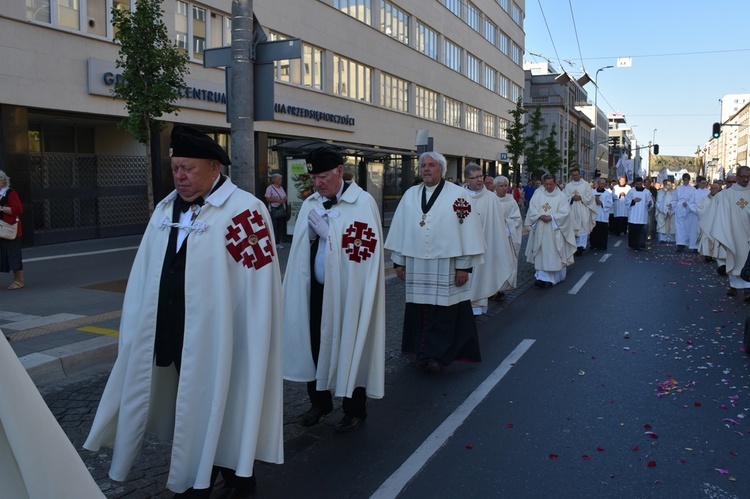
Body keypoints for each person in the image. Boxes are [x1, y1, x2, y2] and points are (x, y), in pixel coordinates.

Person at [84, 125, 284, 498]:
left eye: (188, 168)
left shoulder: (245, 211)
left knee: (223, 398)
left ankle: (223, 478)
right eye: (175, 168)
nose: (179, 176)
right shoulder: (164, 210)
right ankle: (214, 471)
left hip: (221, 335)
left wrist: (252, 336)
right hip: (170, 334)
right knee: (191, 402)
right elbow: (145, 272)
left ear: (213, 167)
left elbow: (256, 288)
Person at [283, 147, 385, 433]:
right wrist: (313, 239)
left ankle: (354, 409)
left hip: (347, 293)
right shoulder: (310, 204)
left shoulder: (362, 203)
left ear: (340, 171)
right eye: (314, 177)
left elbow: (365, 254)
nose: (318, 183)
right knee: (314, 344)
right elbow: (300, 249)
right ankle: (320, 403)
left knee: (350, 346)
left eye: (323, 176)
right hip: (316, 291)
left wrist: (332, 239)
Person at [385, 151, 484, 373]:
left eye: (431, 165)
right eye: (423, 165)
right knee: (418, 310)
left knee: (444, 313)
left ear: (441, 169)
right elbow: (401, 229)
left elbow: (467, 232)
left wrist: (463, 266)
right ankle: (420, 352)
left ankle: (438, 357)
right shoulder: (411, 194)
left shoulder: (458, 195)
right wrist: (399, 262)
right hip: (417, 264)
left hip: (446, 265)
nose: (426, 169)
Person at [462, 164, 513, 315]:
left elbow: (497, 227)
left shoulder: (492, 198)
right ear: (467, 179)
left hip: (485, 248)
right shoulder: (458, 196)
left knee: (482, 277)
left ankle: (477, 309)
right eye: (475, 177)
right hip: (463, 248)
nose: (479, 180)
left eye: (481, 176)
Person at [524, 173, 576, 287]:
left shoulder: (561, 196)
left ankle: (553, 278)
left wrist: (551, 217)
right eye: (546, 184)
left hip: (554, 229)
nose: (548, 187)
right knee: (541, 252)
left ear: (555, 183)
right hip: (540, 228)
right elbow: (532, 208)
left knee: (553, 253)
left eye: (550, 184)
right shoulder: (538, 193)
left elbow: (565, 213)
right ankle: (541, 277)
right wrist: (539, 215)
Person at [706, 166, 750, 299]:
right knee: (735, 257)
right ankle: (733, 286)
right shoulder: (727, 194)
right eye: (743, 177)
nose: (746, 179)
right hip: (734, 233)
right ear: (737, 177)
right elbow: (721, 214)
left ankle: (748, 290)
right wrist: (725, 231)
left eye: (748, 177)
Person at [494, 175, 522, 299]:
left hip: (507, 238)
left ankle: (502, 290)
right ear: (495, 187)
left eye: (506, 185)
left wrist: (505, 222)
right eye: (501, 186)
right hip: (492, 239)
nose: (504, 188)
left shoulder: (511, 201)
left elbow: (517, 220)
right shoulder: (490, 200)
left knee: (504, 263)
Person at [563, 167, 597, 256]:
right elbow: (564, 197)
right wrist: (571, 198)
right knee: (573, 227)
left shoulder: (586, 185)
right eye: (573, 175)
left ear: (580, 175)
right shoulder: (568, 186)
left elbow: (590, 197)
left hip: (583, 209)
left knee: (583, 227)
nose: (575, 177)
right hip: (572, 209)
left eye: (576, 175)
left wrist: (581, 197)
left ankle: (581, 247)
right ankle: (574, 246)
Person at [0, 170, 24, 290]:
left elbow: (18, 209)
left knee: (13, 254)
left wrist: (1, 208)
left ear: (3, 181)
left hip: (9, 228)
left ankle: (19, 280)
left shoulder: (10, 193)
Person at [696, 182, 724, 263]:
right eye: (712, 188)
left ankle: (716, 255)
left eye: (715, 188)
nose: (713, 190)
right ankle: (707, 255)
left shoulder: (722, 199)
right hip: (707, 223)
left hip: (717, 223)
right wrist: (708, 213)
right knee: (706, 239)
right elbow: (699, 209)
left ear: (719, 189)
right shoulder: (705, 199)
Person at [625, 177, 653, 250]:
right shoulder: (631, 191)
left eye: (640, 184)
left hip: (642, 215)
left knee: (642, 231)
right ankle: (633, 245)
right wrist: (633, 201)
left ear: (642, 184)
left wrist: (649, 203)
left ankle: (640, 244)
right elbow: (627, 201)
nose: (639, 185)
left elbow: (650, 202)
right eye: (637, 184)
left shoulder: (646, 192)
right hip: (633, 215)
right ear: (635, 184)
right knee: (633, 231)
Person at [672, 173, 698, 252]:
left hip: (689, 210)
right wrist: (673, 205)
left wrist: (688, 204)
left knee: (689, 227)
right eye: (684, 180)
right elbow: (674, 199)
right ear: (682, 180)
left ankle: (692, 245)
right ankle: (680, 244)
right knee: (680, 227)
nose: (686, 182)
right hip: (680, 209)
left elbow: (694, 200)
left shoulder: (693, 189)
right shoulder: (678, 189)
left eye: (687, 180)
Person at [264, 172, 287, 249]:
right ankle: (272, 243)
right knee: (274, 227)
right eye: (279, 178)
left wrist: (284, 200)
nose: (281, 180)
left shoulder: (281, 188)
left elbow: (284, 196)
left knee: (280, 227)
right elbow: (267, 198)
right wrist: (278, 201)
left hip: (281, 210)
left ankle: (277, 242)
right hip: (274, 210)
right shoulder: (270, 188)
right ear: (275, 180)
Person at [590, 177, 613, 251]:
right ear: (598, 184)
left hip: (603, 215)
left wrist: (602, 203)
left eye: (604, 183)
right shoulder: (592, 192)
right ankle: (594, 244)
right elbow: (588, 202)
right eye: (601, 183)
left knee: (603, 231)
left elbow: (610, 203)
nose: (602, 185)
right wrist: (595, 201)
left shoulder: (607, 193)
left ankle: (602, 245)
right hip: (594, 215)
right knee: (594, 231)